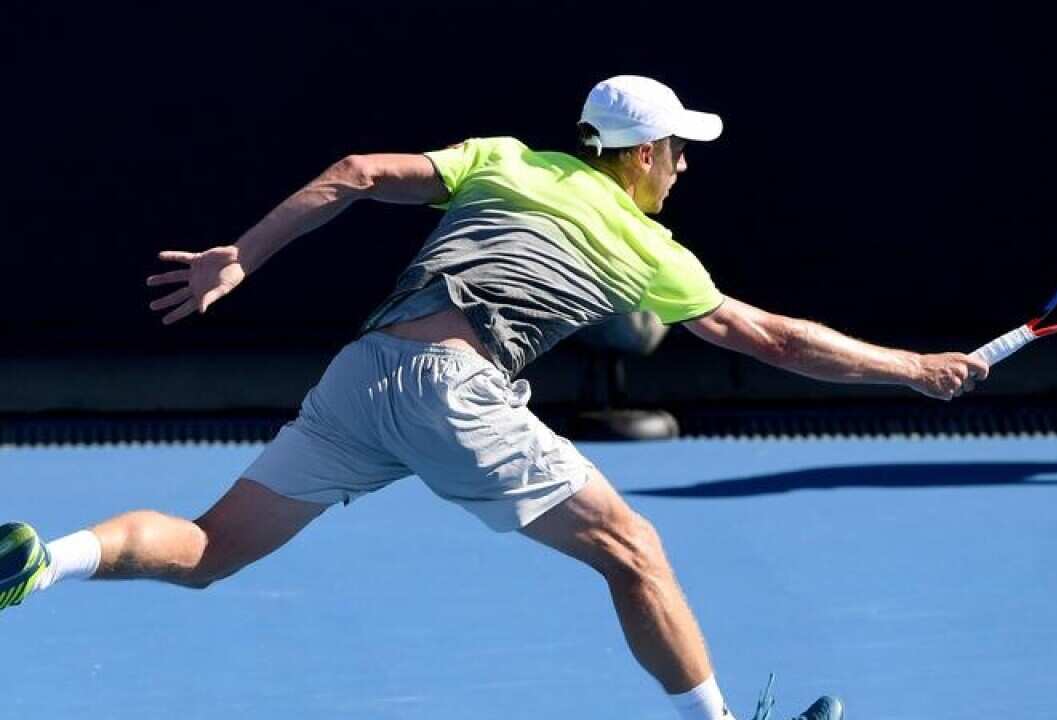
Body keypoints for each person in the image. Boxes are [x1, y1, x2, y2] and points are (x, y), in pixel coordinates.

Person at [1, 75, 988, 720]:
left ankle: (44, 561)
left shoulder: (507, 158)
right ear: (638, 156)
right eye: (678, 150)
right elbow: (768, 338)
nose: (683, 166)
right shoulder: (647, 244)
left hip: (364, 374)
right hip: (452, 388)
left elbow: (353, 174)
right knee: (632, 550)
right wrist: (912, 367)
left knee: (208, 548)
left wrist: (241, 256)